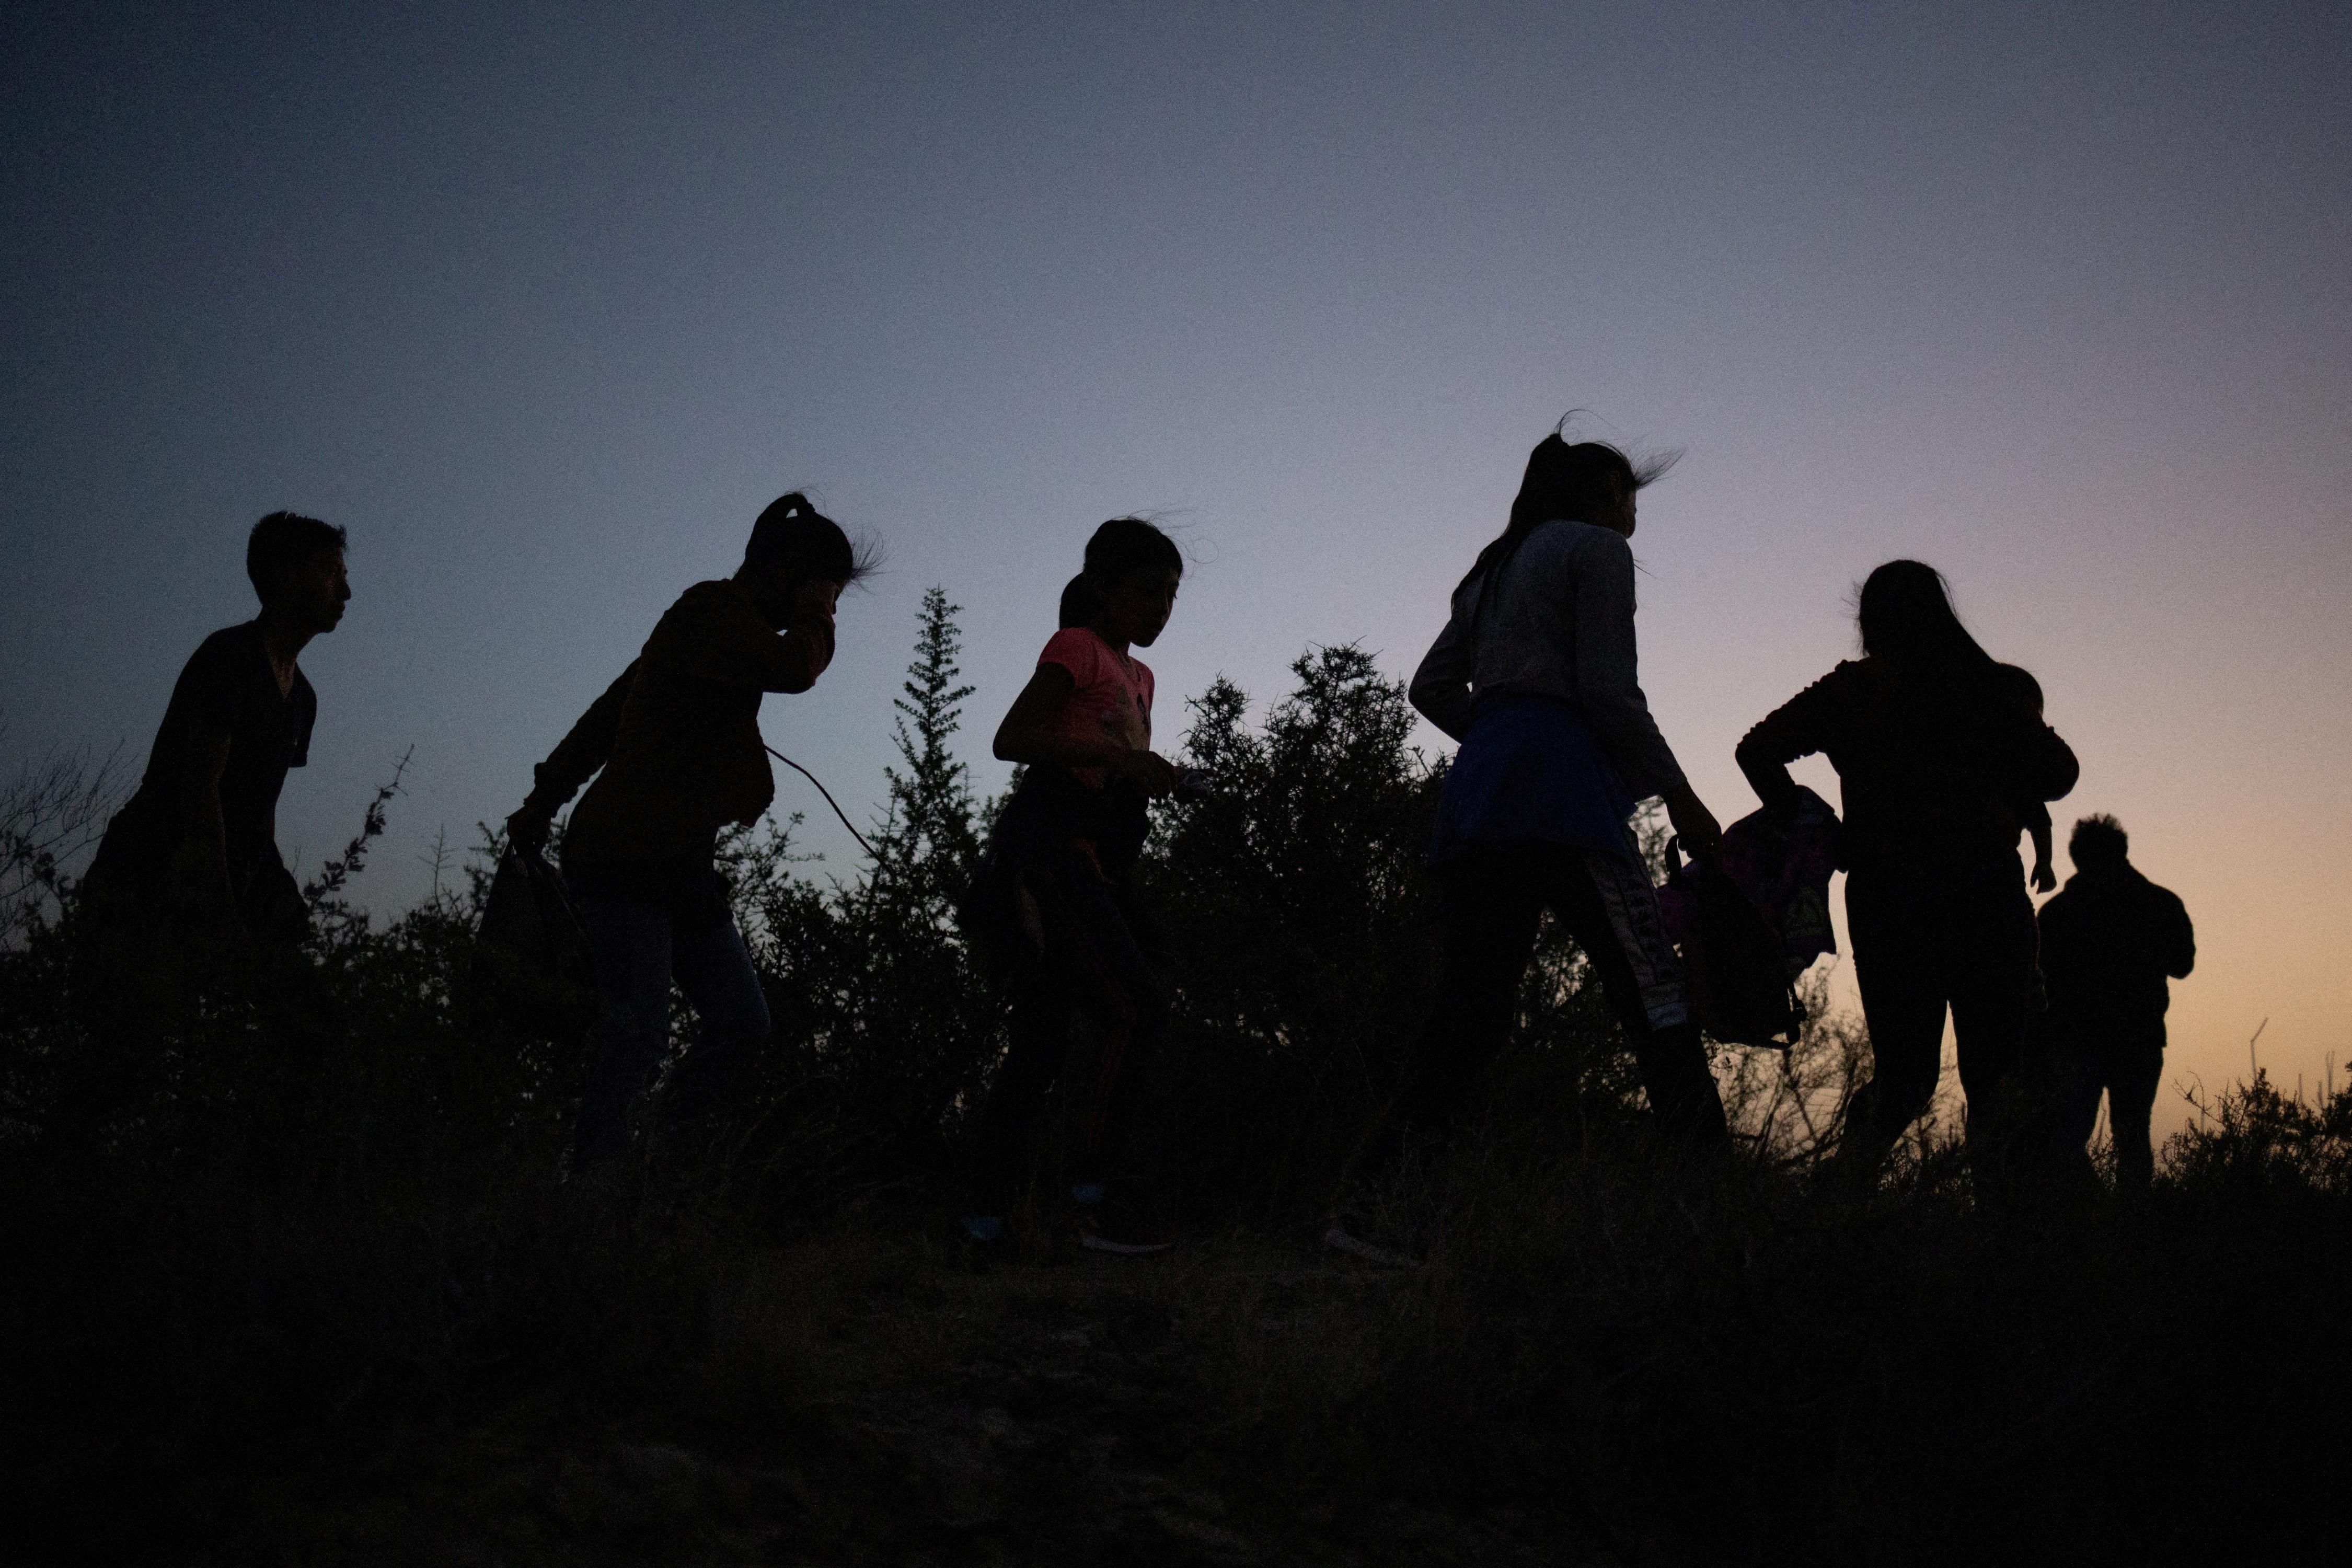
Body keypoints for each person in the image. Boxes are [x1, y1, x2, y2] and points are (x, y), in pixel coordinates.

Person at [1331, 431, 1731, 1259]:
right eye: (1630, 497)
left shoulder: (1491, 574)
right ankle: (1717, 1218)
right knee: (1656, 992)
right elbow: (1610, 692)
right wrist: (1682, 797)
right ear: (1604, 492)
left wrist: (1497, 737)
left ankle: (1364, 1211)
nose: (1633, 515)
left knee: (1468, 1013)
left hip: (1481, 798)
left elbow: (1430, 687)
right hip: (1564, 795)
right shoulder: (1595, 552)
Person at [505, 493, 869, 1169]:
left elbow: (608, 713)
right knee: (639, 1033)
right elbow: (796, 670)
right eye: (827, 591)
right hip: (627, 856)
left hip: (677, 863)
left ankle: (654, 1176)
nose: (829, 607)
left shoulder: (713, 629)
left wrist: (543, 800)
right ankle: (592, 1206)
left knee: (740, 1023)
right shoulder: (710, 614)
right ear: (792, 574)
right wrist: (818, 615)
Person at [1737, 561, 2079, 1193]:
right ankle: (2009, 1232)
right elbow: (2060, 774)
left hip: (1890, 900)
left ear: (1870, 620)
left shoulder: (1855, 689)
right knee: (1995, 1077)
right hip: (1983, 897)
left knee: (1904, 1076)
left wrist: (1822, 828)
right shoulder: (1990, 686)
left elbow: (1755, 750)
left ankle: (1839, 1206)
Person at [67, 512, 351, 1141]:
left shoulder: (301, 699)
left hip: (234, 874)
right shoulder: (228, 658)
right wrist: (222, 905)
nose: (346, 593)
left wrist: (270, 897)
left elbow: (258, 811)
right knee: (117, 1061)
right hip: (151, 873)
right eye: (332, 573)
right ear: (284, 575)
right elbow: (201, 792)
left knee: (309, 1027)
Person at [962, 518, 1184, 1256]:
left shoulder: (1142, 676)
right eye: (1149, 591)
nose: (1162, 608)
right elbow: (1013, 738)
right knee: (1136, 1010)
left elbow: (1113, 767)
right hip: (1052, 855)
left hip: (1102, 864)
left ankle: (987, 1220)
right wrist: (1116, 762)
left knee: (1049, 1036)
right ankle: (1093, 1207)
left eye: (1172, 595)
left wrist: (1150, 777)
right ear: (1103, 589)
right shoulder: (1075, 649)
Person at [2037, 814, 2194, 1194]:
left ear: (2077, 858)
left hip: (2076, 1041)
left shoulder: (2058, 913)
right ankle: (2127, 1225)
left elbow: (2040, 978)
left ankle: (2094, 1221)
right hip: (2135, 1038)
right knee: (2131, 1135)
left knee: (2068, 1139)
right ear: (2122, 853)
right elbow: (2183, 965)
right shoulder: (2160, 903)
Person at [1996, 665, 2059, 896]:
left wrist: (2044, 862)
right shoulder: (2013, 772)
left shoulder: (2012, 774)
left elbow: (2037, 815)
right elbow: (2038, 818)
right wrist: (2044, 862)